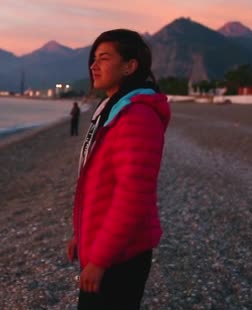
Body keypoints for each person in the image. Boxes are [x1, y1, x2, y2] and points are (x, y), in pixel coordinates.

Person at [67, 29, 171, 309]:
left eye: (104, 58)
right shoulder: (112, 109)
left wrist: (99, 260)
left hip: (121, 256)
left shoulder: (136, 116)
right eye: (93, 59)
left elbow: (132, 196)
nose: (93, 65)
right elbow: (100, 185)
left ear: (130, 66)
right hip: (106, 245)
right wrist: (82, 234)